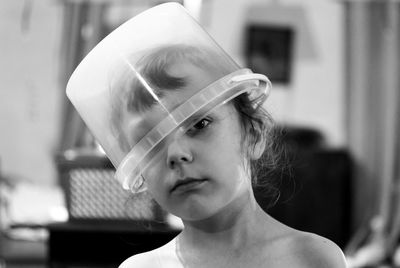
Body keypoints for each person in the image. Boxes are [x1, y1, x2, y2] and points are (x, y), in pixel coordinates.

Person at [66, 3, 347, 268]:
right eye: (150, 143)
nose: (176, 154)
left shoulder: (311, 259)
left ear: (253, 133)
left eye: (199, 124)